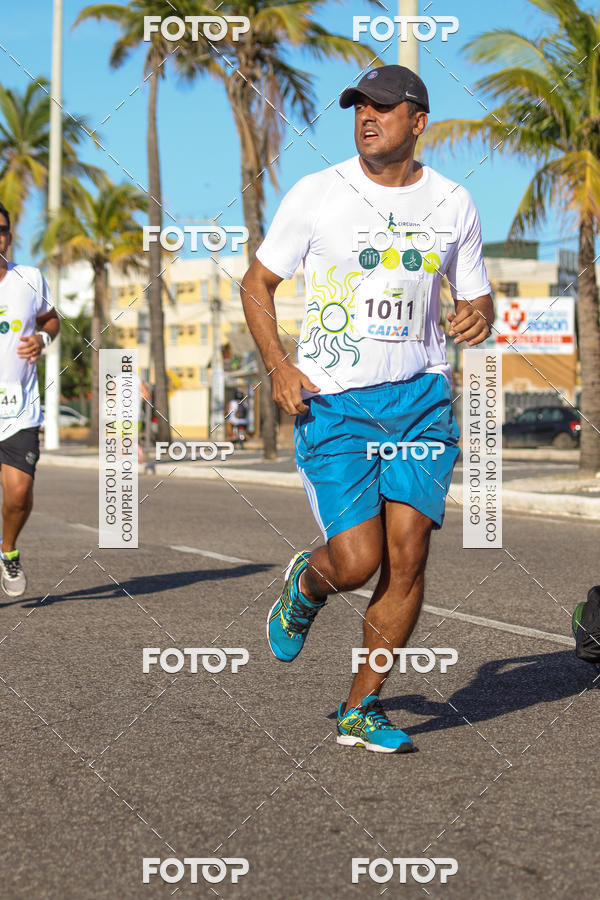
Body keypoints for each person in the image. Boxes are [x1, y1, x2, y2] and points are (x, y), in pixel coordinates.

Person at [241, 65, 494, 753]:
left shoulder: (454, 202)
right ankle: (307, 583)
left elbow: (476, 295)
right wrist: (279, 364)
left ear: (418, 121)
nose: (367, 117)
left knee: (407, 557)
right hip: (335, 403)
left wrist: (477, 314)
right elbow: (257, 281)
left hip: (420, 399)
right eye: (359, 107)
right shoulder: (317, 193)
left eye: (383, 107)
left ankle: (362, 707)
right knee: (356, 562)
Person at [0, 202, 60, 597]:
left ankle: (8, 549)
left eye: (1, 229)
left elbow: (51, 319)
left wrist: (42, 338)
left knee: (19, 494)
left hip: (18, 409)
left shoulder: (28, 278)